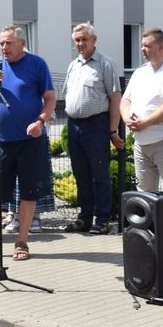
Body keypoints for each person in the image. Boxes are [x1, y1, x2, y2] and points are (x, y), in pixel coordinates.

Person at [0, 25, 56, 262]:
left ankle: (21, 242)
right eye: (1, 43)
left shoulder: (37, 64)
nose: (4, 48)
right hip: (0, 140)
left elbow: (50, 98)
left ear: (21, 43)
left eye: (8, 43)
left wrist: (41, 121)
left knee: (28, 191)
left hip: (31, 140)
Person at [63, 23, 123, 235]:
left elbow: (115, 97)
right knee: (81, 174)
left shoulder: (105, 64)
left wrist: (113, 130)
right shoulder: (73, 65)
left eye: (83, 40)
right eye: (77, 40)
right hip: (74, 124)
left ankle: (103, 219)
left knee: (100, 174)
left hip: (96, 124)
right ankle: (85, 217)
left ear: (94, 40)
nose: (80, 44)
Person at [121, 28, 163, 193]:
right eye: (142, 45)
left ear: (161, 47)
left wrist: (145, 122)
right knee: (144, 193)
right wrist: (127, 119)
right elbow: (125, 100)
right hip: (141, 143)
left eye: (147, 46)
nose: (143, 49)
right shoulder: (139, 72)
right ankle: (152, 221)